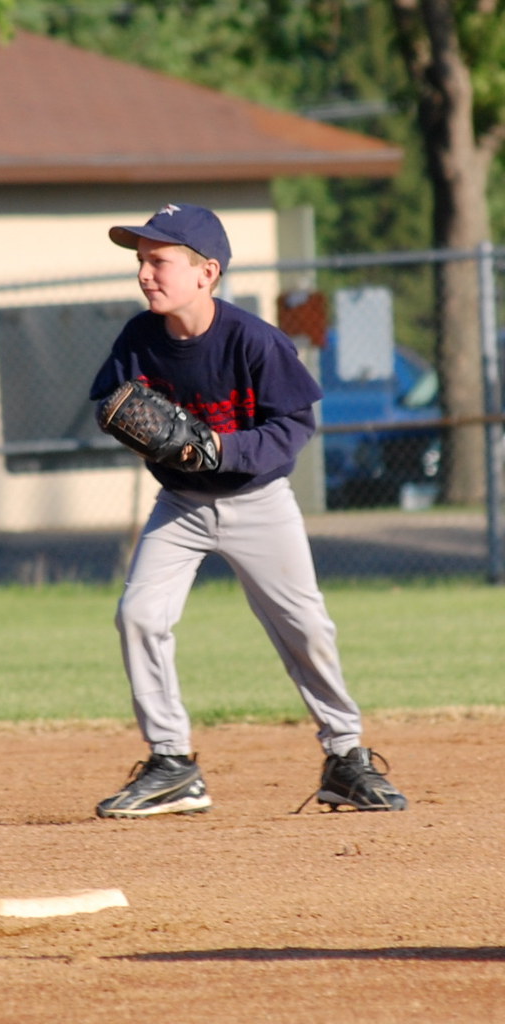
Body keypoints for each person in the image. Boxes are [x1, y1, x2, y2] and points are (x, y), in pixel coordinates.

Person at [89, 202, 407, 818]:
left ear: (207, 272)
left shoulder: (253, 340)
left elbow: (294, 423)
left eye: (159, 261)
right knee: (139, 615)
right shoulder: (138, 338)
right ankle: (172, 763)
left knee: (306, 627)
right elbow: (112, 400)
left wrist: (219, 447)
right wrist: (136, 428)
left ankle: (345, 757)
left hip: (260, 502)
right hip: (180, 505)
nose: (145, 274)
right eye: (141, 261)